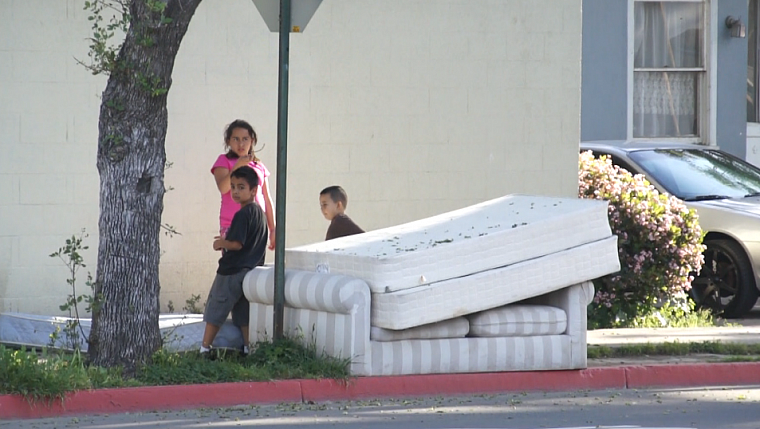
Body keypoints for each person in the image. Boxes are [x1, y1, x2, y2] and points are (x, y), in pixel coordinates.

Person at [201, 166, 268, 355]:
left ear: (254, 190)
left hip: (231, 271)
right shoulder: (259, 214)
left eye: (241, 187)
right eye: (233, 187)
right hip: (250, 272)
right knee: (242, 313)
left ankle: (204, 348)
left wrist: (221, 243)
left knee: (216, 309)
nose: (236, 191)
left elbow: (237, 244)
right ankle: (248, 348)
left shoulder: (243, 214)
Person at [211, 119, 275, 254]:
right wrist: (238, 165)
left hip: (257, 224)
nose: (241, 144)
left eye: (245, 139)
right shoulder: (224, 161)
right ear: (228, 141)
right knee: (235, 264)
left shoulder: (259, 166)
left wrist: (273, 229)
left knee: (255, 266)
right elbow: (223, 187)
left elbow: (267, 199)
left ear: (252, 141)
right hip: (233, 224)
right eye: (236, 139)